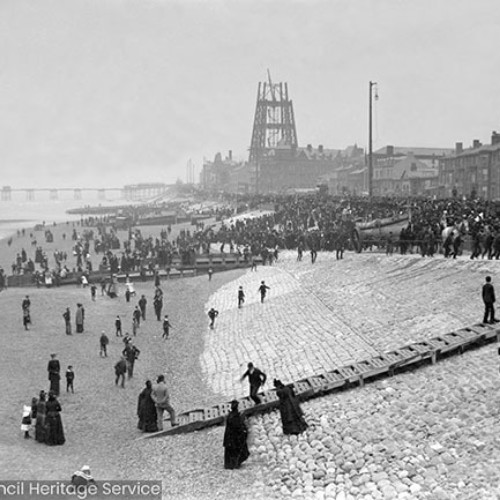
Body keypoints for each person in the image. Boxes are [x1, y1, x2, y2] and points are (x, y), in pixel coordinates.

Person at [223, 400, 250, 470]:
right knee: (237, 448)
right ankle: (234, 464)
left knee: (230, 451)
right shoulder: (235, 417)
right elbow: (238, 427)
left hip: (229, 437)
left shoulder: (231, 415)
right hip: (234, 437)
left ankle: (230, 464)